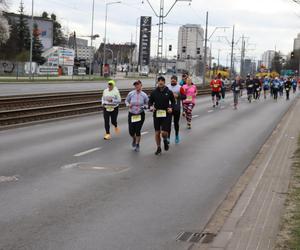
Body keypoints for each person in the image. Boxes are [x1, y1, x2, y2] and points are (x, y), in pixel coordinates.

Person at [149, 76, 175, 155]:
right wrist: (151, 107)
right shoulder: (154, 92)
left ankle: (165, 140)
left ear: (164, 82)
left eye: (162, 81)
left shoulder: (169, 91)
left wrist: (171, 108)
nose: (160, 82)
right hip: (157, 114)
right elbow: (150, 102)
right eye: (159, 81)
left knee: (164, 133)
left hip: (166, 114)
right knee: (157, 133)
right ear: (157, 82)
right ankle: (159, 147)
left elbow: (173, 102)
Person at [125, 80, 149, 152]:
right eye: (135, 85)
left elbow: (148, 104)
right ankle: (134, 138)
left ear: (141, 85)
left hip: (140, 114)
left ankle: (138, 144)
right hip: (132, 114)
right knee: (131, 131)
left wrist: (144, 107)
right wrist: (128, 105)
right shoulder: (131, 93)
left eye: (138, 84)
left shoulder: (144, 95)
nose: (136, 86)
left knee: (138, 130)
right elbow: (126, 101)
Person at [167, 75, 186, 144]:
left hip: (176, 108)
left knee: (176, 123)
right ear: (170, 80)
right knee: (168, 123)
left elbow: (184, 96)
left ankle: (177, 135)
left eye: (174, 80)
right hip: (169, 107)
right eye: (172, 80)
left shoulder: (180, 88)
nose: (173, 81)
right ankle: (168, 137)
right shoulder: (167, 87)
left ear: (176, 81)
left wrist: (178, 96)